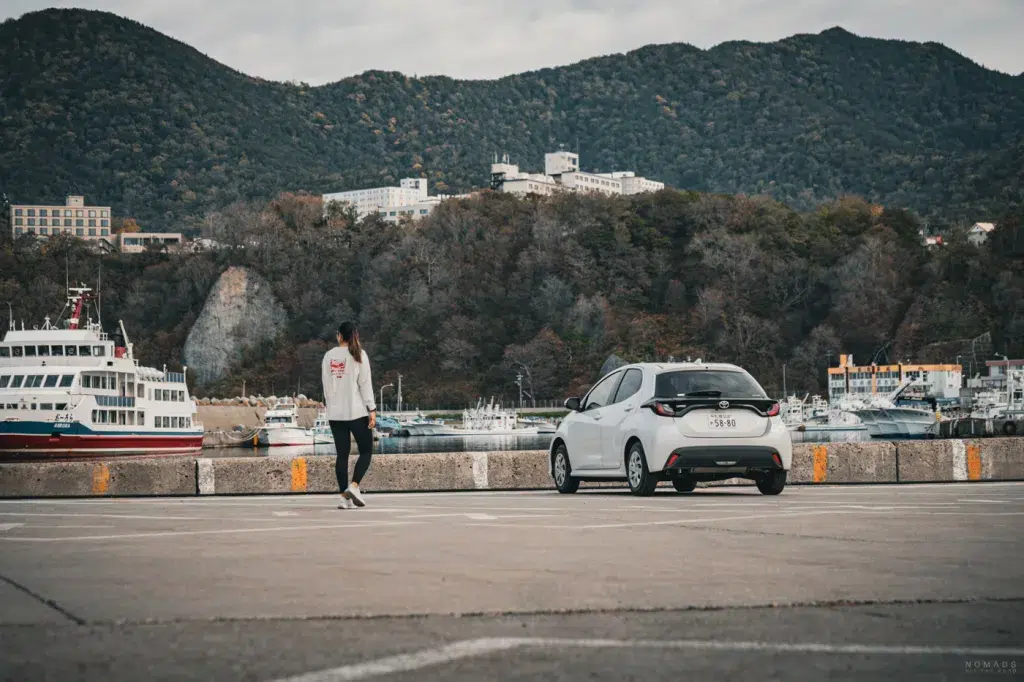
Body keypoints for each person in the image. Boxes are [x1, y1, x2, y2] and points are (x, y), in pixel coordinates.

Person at [321, 321, 377, 509]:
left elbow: (326, 386)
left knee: (342, 456)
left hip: (335, 414)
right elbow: (365, 385)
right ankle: (354, 486)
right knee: (366, 451)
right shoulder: (360, 354)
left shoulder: (328, 356)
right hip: (356, 411)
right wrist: (372, 409)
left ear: (339, 335)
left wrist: (331, 406)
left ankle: (344, 499)